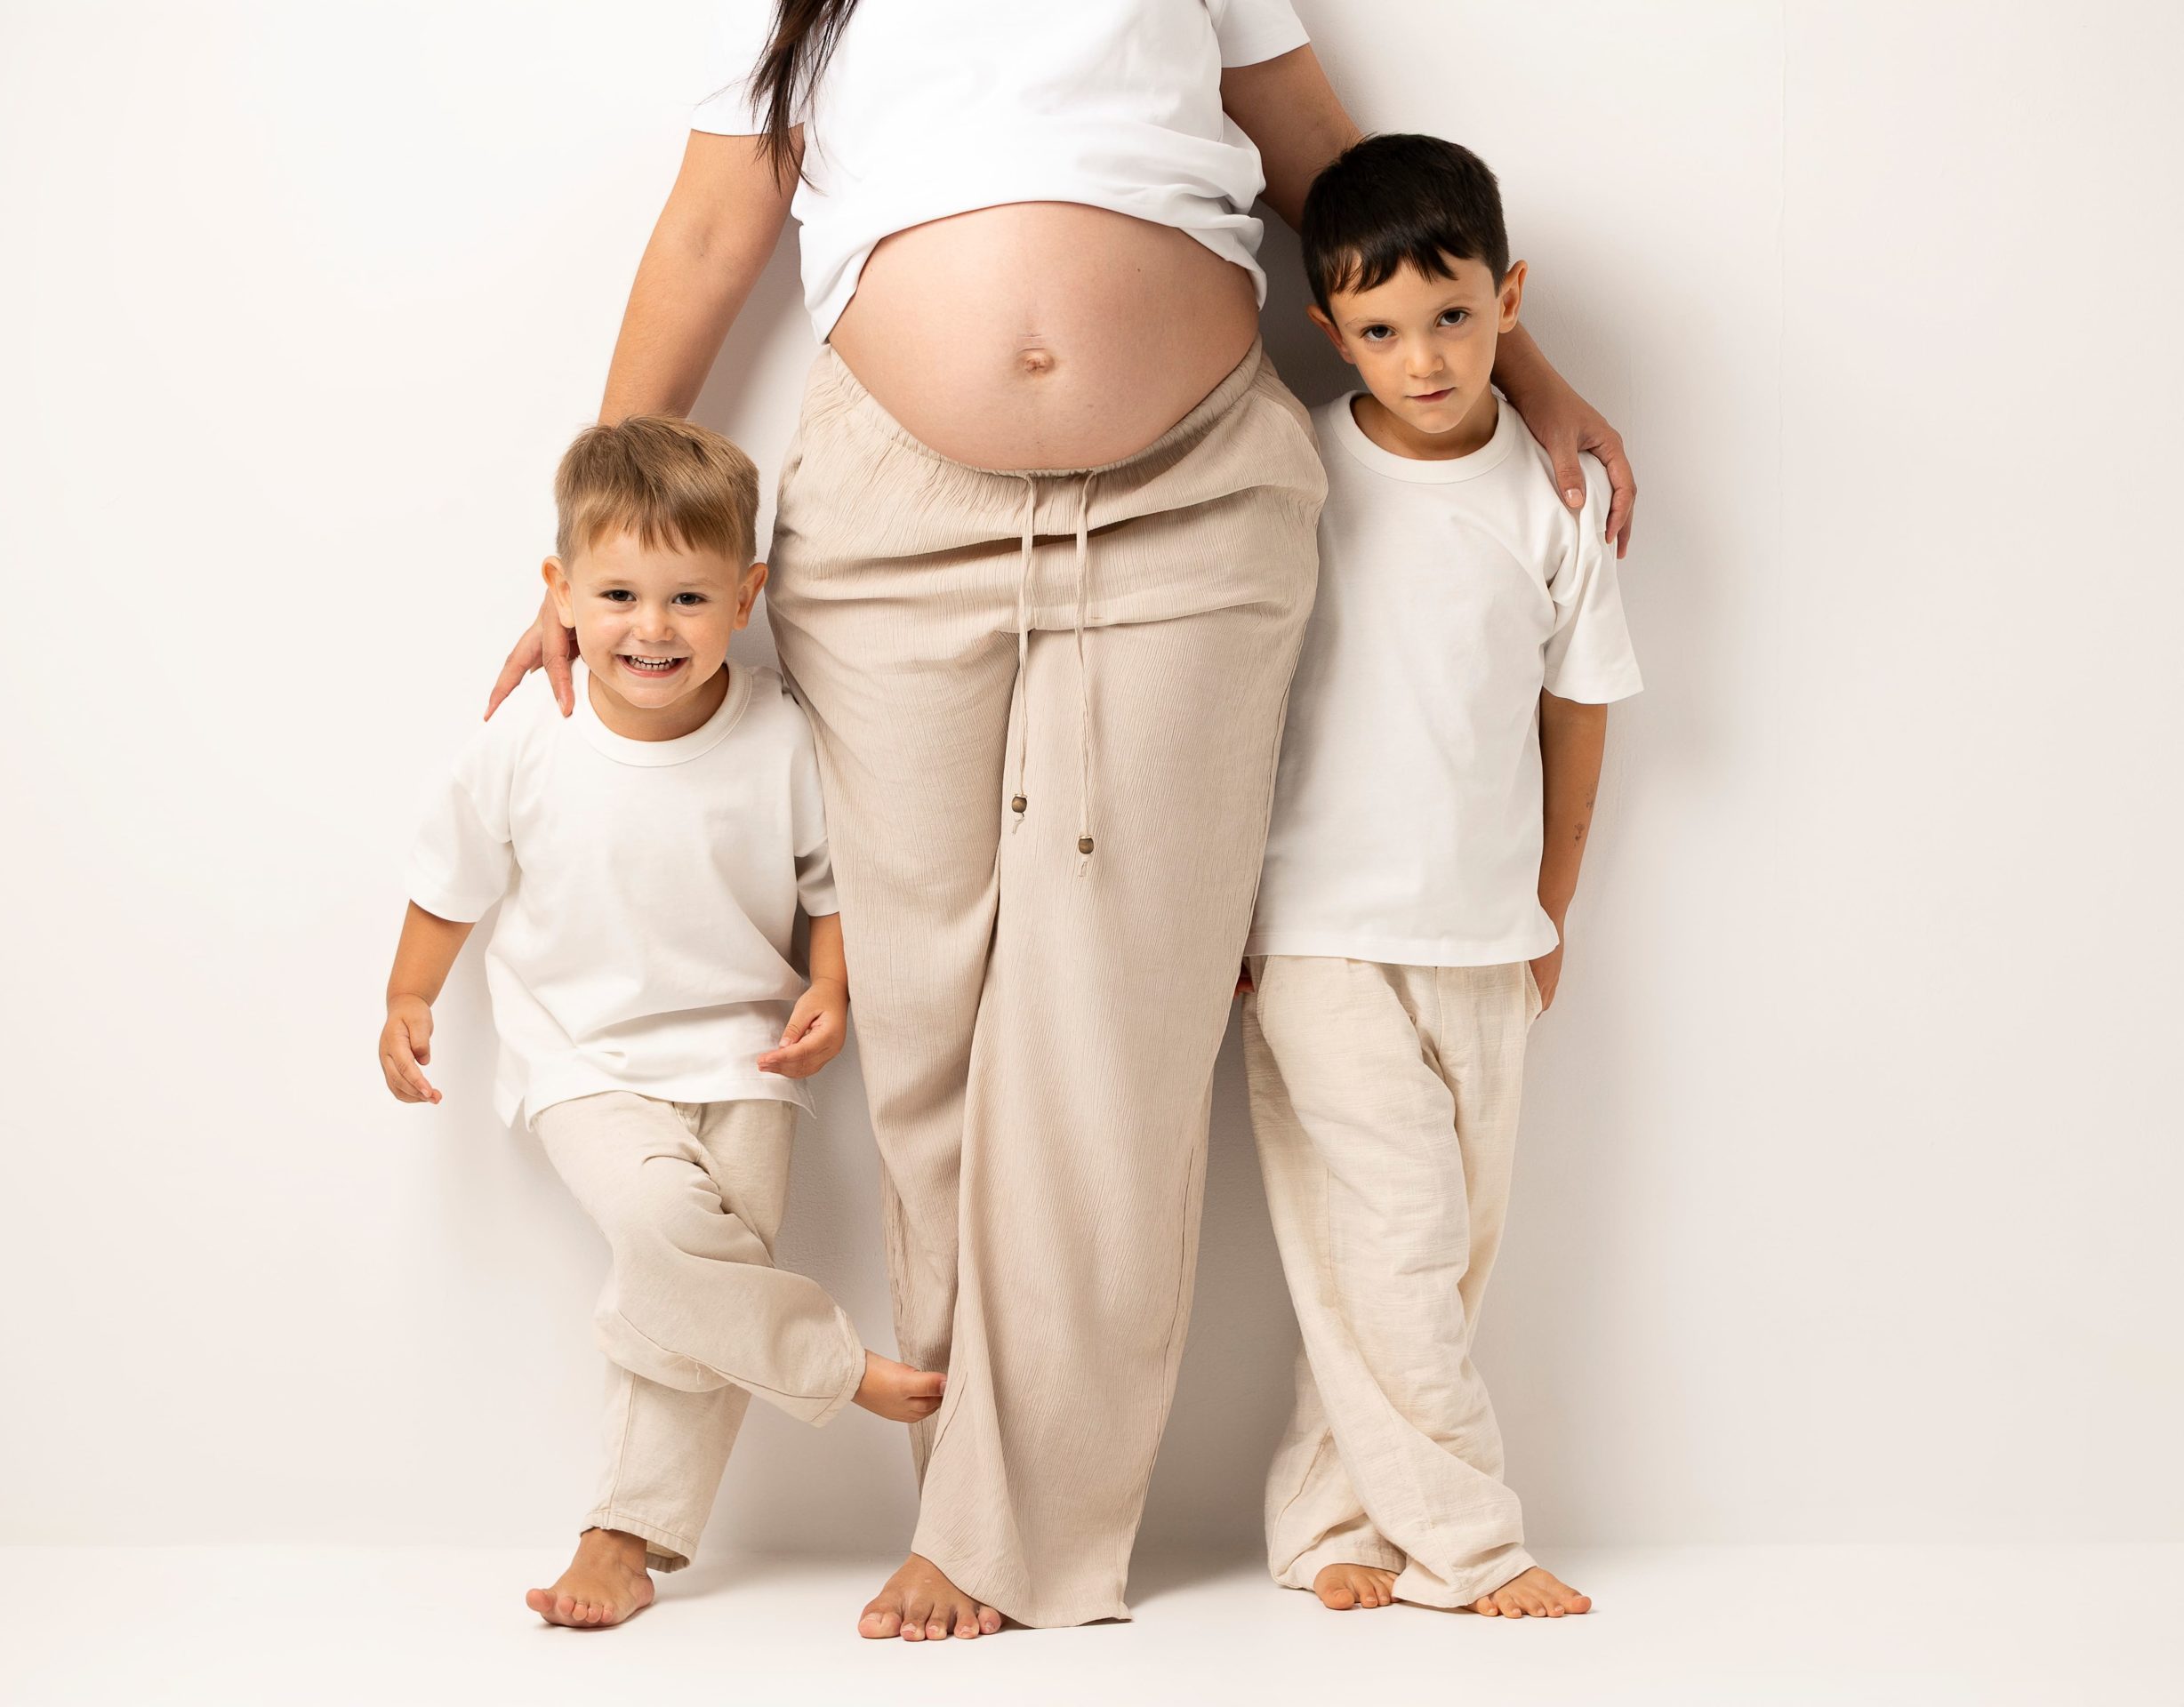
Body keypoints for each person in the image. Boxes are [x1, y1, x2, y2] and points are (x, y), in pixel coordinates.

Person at [486, 1, 1640, 1639]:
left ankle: (1003, 1541)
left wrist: (1535, 379)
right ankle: (963, 1491)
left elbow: (1335, 172)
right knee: (927, 1022)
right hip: (890, 512)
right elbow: (706, 232)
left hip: (1191, 504)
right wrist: (594, 545)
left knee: (1112, 1035)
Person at [381, 416, 946, 1629]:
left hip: (748, 1065)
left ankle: (622, 1541)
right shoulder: (530, 735)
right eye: (619, 596)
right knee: (660, 1233)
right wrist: (407, 995)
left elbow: (830, 888)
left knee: (680, 1291)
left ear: (745, 597)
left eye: (689, 597)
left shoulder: (781, 733)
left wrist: (832, 987)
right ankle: (832, 1366)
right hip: (582, 1060)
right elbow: (449, 880)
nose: (653, 627)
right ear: (561, 593)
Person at [1241, 133, 1642, 1621]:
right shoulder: (1292, 469)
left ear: (1508, 300)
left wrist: (1554, 911)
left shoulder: (1553, 502)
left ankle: (1325, 1521)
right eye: (1383, 330)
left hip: (1484, 933)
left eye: (1454, 318)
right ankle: (1472, 1545)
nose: (1423, 359)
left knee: (1427, 1254)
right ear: (1330, 329)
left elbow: (1577, 715)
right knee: (1399, 1234)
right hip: (1317, 931)